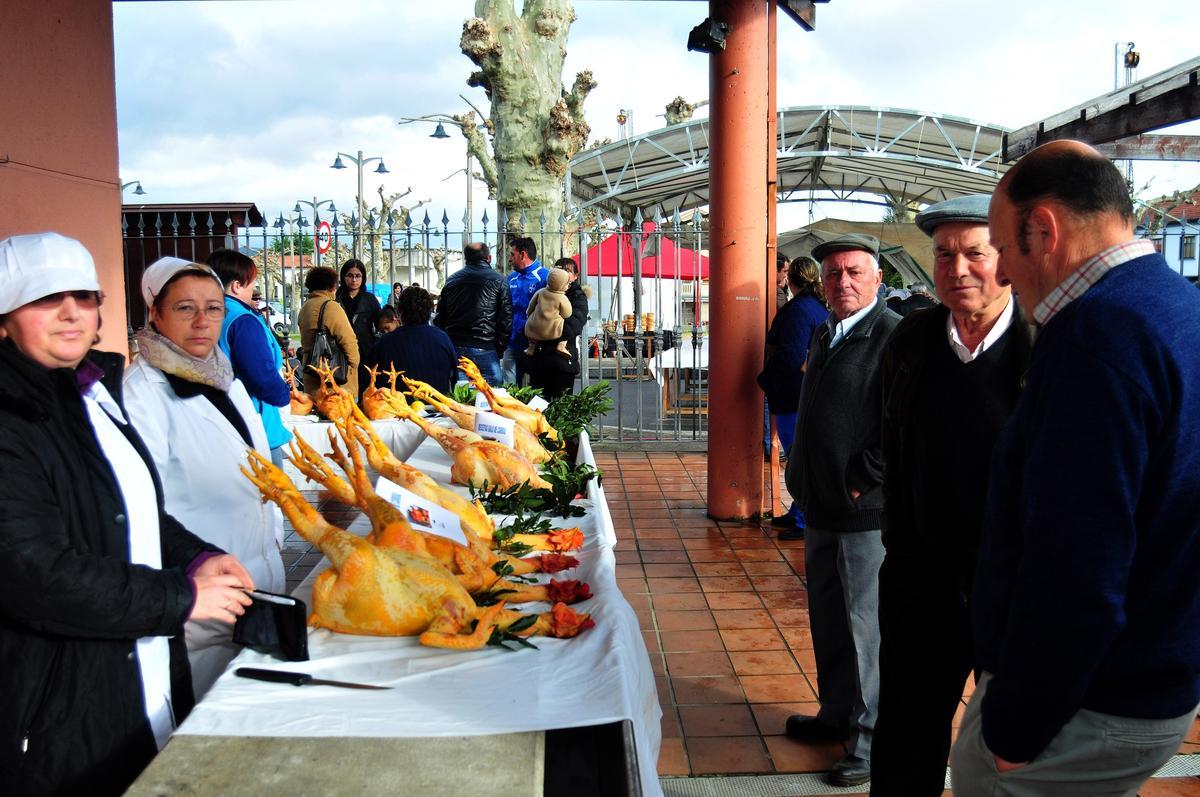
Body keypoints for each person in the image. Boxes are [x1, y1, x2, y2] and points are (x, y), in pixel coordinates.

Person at [950, 141, 1200, 796]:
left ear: (1044, 230)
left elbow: (1077, 566)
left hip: (1089, 703)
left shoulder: (1097, 335)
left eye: (1003, 247)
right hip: (1155, 674)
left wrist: (1012, 730)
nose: (1001, 271)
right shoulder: (1177, 305)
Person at [0, 232, 254, 795]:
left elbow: (134, 509)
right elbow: (37, 573)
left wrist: (197, 558)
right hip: (58, 700)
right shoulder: (11, 416)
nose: (70, 312)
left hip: (137, 664)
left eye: (85, 297)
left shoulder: (91, 390)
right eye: (45, 299)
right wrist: (181, 597)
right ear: (5, 317)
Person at [870, 195, 1033, 796]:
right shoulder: (910, 341)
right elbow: (892, 441)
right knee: (907, 733)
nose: (957, 268)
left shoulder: (1044, 343)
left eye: (974, 253)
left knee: (1011, 744)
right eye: (943, 255)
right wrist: (901, 547)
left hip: (1012, 586)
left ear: (1008, 261)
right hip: (922, 580)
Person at [123, 257, 285, 700]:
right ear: (154, 313)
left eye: (214, 308)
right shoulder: (141, 396)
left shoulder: (223, 376)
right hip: (202, 600)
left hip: (254, 581)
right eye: (184, 308)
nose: (202, 321)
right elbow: (140, 510)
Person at [783, 233, 900, 788]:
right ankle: (835, 714)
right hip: (819, 505)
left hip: (863, 514)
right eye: (833, 274)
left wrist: (862, 482)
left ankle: (870, 742)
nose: (843, 282)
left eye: (855, 272)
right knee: (827, 621)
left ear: (878, 279)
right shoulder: (826, 332)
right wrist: (797, 474)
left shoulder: (893, 337)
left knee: (864, 630)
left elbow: (901, 426)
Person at [756, 256, 826, 538]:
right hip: (803, 391)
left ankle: (804, 519)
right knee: (800, 455)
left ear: (790, 278)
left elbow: (792, 355)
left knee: (799, 458)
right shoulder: (817, 307)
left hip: (792, 393)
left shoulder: (798, 310)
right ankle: (799, 511)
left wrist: (764, 380)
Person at [206, 249, 292, 466]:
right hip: (254, 422)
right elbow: (261, 376)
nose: (253, 289)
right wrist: (283, 394)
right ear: (236, 285)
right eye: (251, 283)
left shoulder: (209, 312)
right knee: (272, 494)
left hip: (221, 420)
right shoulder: (242, 320)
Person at [433, 242, 512, 386]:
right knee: (491, 396)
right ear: (489, 258)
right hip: (486, 346)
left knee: (462, 397)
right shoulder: (499, 281)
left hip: (456, 345)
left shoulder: (452, 280)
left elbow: (440, 318)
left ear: (466, 259)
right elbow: (505, 320)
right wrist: (499, 349)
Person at [369, 286, 457, 395]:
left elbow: (374, 382)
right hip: (438, 406)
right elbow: (455, 378)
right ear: (429, 311)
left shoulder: (384, 343)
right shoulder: (443, 338)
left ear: (400, 313)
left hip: (397, 407)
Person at [525, 257, 589, 400]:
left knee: (560, 407)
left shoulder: (577, 296)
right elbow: (531, 313)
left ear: (576, 276)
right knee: (538, 406)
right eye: (559, 269)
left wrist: (548, 331)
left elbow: (575, 323)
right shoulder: (543, 291)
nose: (563, 273)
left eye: (567, 270)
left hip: (562, 362)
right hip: (539, 359)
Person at [298, 266, 359, 399]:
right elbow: (348, 341)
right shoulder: (331, 307)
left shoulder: (305, 307)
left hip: (311, 373)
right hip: (334, 379)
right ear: (332, 286)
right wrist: (353, 365)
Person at [505, 236, 547, 384]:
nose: (510, 259)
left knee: (535, 389)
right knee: (508, 389)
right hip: (511, 343)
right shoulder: (511, 279)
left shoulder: (544, 277)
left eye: (512, 254)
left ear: (522, 255)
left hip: (535, 345)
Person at [335, 258, 381, 396]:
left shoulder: (370, 299)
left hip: (365, 350)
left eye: (358, 276)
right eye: (350, 275)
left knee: (365, 387)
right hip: (341, 350)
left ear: (363, 277)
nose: (354, 280)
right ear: (343, 277)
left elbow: (379, 323)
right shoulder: (336, 299)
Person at [523, 267, 574, 359]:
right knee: (569, 331)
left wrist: (528, 314)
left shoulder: (541, 292)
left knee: (532, 337)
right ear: (562, 284)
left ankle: (531, 347)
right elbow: (567, 314)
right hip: (552, 329)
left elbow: (531, 306)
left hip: (535, 325)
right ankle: (561, 345)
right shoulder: (562, 298)